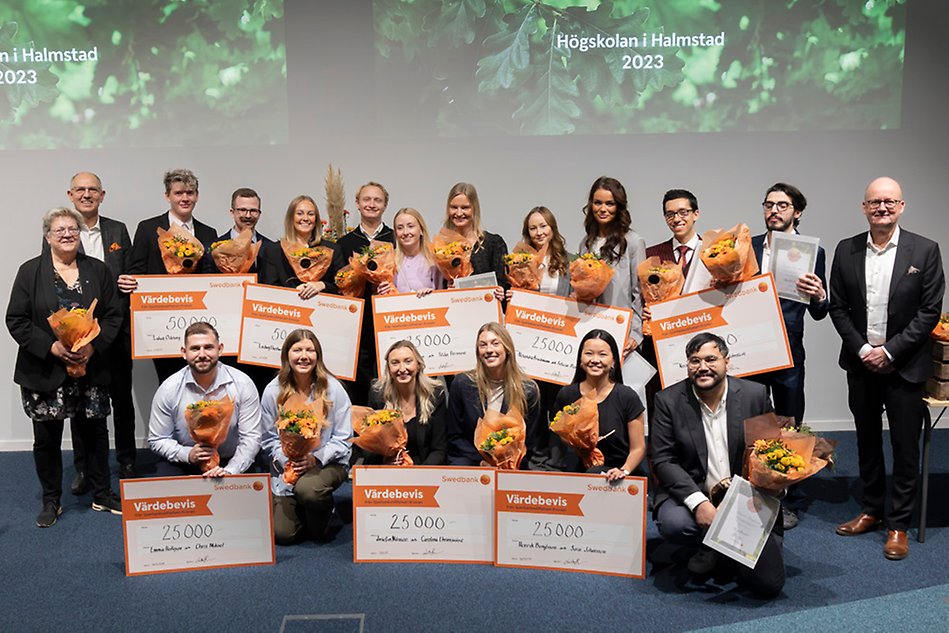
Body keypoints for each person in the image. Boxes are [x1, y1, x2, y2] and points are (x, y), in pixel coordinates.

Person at [829, 176, 944, 561]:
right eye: (875, 202)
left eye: (890, 202)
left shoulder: (925, 251)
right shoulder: (846, 250)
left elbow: (929, 312)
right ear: (864, 207)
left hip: (905, 366)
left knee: (904, 447)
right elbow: (839, 307)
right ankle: (871, 511)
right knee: (866, 442)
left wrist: (890, 351)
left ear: (902, 206)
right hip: (861, 363)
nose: (882, 208)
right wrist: (863, 348)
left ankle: (898, 524)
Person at [6, 207, 124, 527]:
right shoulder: (29, 272)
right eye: (60, 230)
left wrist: (93, 346)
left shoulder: (97, 270)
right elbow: (15, 319)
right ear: (48, 237)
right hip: (45, 370)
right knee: (47, 439)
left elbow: (113, 315)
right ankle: (51, 499)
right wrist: (51, 347)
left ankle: (101, 493)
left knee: (96, 434)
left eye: (72, 229)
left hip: (90, 367)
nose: (68, 234)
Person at [651, 332, 783, 598]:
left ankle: (726, 547)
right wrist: (699, 503)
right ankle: (708, 545)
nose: (702, 367)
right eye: (694, 361)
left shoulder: (754, 394)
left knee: (768, 584)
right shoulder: (668, 401)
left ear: (727, 361)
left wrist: (774, 486)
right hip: (695, 491)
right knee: (676, 524)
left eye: (711, 359)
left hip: (745, 496)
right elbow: (663, 460)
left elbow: (770, 452)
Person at [749, 183, 829, 530]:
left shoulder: (812, 252)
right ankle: (752, 490)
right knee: (753, 420)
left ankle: (789, 498)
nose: (774, 210)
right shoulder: (747, 247)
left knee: (789, 422)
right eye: (769, 204)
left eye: (783, 205)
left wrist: (820, 295)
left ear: (797, 212)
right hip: (749, 346)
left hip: (789, 347)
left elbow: (820, 311)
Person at [56, 172, 140, 489]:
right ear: (70, 194)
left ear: (102, 195)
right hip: (77, 334)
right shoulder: (62, 231)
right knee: (81, 402)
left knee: (121, 397)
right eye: (81, 190)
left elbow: (131, 271)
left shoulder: (118, 229)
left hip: (115, 328)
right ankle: (84, 468)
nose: (87, 194)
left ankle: (127, 460)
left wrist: (131, 280)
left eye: (93, 190)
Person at [259, 329, 352, 544]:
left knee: (310, 497)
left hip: (329, 464)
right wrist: (289, 461)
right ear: (286, 355)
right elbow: (268, 440)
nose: (304, 356)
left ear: (317, 356)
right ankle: (302, 504)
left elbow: (344, 439)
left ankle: (322, 505)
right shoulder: (273, 391)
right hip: (287, 467)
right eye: (297, 350)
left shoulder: (333, 389)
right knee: (283, 535)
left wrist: (314, 458)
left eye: (310, 350)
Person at [128, 169, 218, 382]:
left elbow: (211, 277)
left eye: (190, 193)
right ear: (167, 196)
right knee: (168, 381)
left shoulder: (208, 233)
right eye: (179, 193)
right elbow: (137, 270)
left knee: (201, 380)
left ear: (197, 196)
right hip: (160, 321)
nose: (185, 198)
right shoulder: (148, 228)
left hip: (198, 320)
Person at [147, 322, 261, 477]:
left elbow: (251, 437)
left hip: (231, 461)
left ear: (220, 349)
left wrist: (231, 470)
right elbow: (157, 438)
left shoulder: (242, 384)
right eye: (195, 348)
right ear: (183, 352)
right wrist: (187, 454)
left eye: (208, 347)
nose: (202, 354)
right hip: (185, 462)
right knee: (162, 481)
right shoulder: (169, 389)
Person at [641, 189, 703, 424]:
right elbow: (640, 295)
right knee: (661, 407)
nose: (676, 219)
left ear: (696, 214)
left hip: (702, 340)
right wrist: (643, 311)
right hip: (661, 345)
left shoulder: (713, 251)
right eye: (670, 214)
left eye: (683, 212)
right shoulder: (652, 255)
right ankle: (659, 459)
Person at [553, 330, 645, 479]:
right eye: (589, 354)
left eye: (602, 354)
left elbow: (638, 448)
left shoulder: (627, 396)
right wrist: (578, 444)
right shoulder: (566, 394)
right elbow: (558, 437)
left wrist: (624, 470)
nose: (595, 360)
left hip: (619, 476)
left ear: (614, 361)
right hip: (575, 474)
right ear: (580, 360)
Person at [446, 322, 542, 467]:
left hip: (513, 464)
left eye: (495, 343)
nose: (489, 350)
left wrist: (508, 462)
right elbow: (455, 436)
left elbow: (532, 440)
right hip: (471, 461)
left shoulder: (528, 389)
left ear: (507, 348)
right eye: (483, 345)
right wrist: (483, 461)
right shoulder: (462, 384)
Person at [337, 182, 396, 405]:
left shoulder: (396, 238)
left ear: (385, 205)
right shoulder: (344, 243)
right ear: (358, 204)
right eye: (367, 200)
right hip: (358, 325)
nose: (372, 204)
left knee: (388, 381)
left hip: (390, 321)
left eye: (377, 200)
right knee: (359, 384)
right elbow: (339, 283)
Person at [578, 176, 646, 357]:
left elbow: (639, 292)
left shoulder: (633, 241)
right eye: (597, 203)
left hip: (622, 329)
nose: (603, 209)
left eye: (610, 203)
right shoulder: (586, 243)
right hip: (591, 328)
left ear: (619, 206)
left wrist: (635, 333)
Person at [364, 340, 447, 465]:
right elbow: (368, 446)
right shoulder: (378, 396)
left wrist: (418, 474)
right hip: (388, 470)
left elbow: (439, 450)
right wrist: (384, 460)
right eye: (395, 363)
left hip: (425, 470)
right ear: (388, 369)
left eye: (408, 361)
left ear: (418, 365)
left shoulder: (435, 395)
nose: (402, 369)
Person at [269, 195, 346, 297]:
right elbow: (268, 289)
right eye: (299, 213)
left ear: (316, 219)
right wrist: (293, 292)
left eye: (310, 214)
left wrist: (322, 285)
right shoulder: (275, 250)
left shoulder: (332, 249)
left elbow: (343, 287)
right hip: (288, 310)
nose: (305, 218)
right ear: (291, 218)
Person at [443, 182, 508, 302]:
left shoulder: (493, 243)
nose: (458, 213)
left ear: (474, 209)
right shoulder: (443, 249)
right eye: (454, 207)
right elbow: (440, 289)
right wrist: (447, 288)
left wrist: (500, 291)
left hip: (488, 313)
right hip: (456, 314)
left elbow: (504, 282)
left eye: (465, 207)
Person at [381, 207, 442, 296]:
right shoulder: (388, 262)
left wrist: (430, 293)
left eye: (410, 226)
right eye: (400, 228)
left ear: (421, 230)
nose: (405, 232)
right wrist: (382, 292)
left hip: (428, 309)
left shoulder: (434, 260)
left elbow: (442, 295)